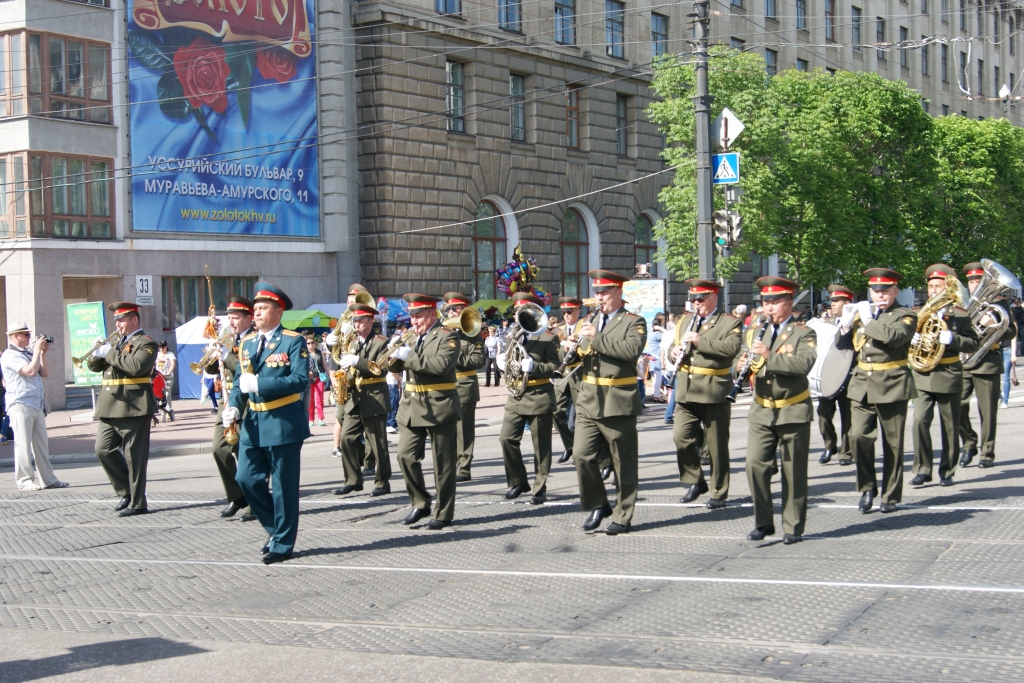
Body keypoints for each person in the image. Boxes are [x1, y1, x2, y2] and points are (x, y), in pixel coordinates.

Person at [222, 282, 310, 564]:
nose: (256, 313)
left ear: (278, 311)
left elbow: (299, 380)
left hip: (282, 421)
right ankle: (276, 529)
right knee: (245, 479)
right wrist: (233, 407)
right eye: (255, 308)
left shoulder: (292, 340)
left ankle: (282, 544)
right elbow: (238, 383)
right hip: (253, 423)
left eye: (262, 308)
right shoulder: (246, 343)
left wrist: (261, 383)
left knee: (284, 488)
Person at [741, 277, 816, 544]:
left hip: (792, 408)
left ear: (789, 302)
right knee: (754, 465)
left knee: (792, 470)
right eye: (765, 302)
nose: (769, 308)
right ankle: (763, 522)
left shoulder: (803, 332)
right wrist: (742, 365)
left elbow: (803, 364)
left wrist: (770, 357)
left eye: (775, 302)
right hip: (762, 409)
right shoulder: (753, 331)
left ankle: (793, 525)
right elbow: (746, 362)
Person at [572, 270, 647, 534]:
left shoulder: (633, 322)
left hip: (618, 400)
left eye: (603, 292)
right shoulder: (589, 320)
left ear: (618, 292)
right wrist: (569, 347)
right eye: (596, 293)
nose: (599, 297)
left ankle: (623, 515)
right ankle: (598, 503)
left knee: (622, 463)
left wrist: (596, 338)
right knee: (581, 455)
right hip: (588, 399)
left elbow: (630, 351)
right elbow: (579, 355)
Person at [838, 268, 916, 514]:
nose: (879, 295)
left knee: (892, 443)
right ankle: (867, 487)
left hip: (892, 383)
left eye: (885, 290)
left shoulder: (905, 315)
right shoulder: (864, 315)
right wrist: (845, 324)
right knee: (859, 437)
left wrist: (868, 320)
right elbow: (843, 346)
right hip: (862, 384)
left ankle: (890, 495)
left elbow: (894, 338)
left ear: (895, 291)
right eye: (875, 290)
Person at [388, 294, 461, 529]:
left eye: (418, 316)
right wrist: (393, 353)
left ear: (432, 314)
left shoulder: (447, 336)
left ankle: (443, 512)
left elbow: (440, 366)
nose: (414, 321)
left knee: (443, 464)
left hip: (438, 405)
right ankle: (420, 502)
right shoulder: (411, 338)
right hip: (410, 406)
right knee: (405, 457)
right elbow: (397, 366)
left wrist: (408, 356)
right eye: (411, 316)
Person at [667, 279, 742, 508]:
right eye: (693, 299)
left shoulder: (729, 322)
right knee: (681, 437)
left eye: (701, 298)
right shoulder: (685, 321)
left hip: (714, 389)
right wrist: (674, 352)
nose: (696, 303)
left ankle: (719, 492)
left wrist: (700, 340)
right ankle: (695, 480)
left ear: (714, 298)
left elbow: (732, 349)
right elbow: (673, 347)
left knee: (717, 445)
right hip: (686, 389)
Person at [910, 265, 978, 487]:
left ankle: (947, 470)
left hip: (948, 374)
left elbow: (973, 342)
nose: (933, 291)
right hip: (922, 374)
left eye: (938, 286)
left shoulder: (959, 314)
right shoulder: (918, 314)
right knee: (920, 421)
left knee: (949, 426)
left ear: (947, 287)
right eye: (930, 286)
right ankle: (922, 469)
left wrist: (953, 339)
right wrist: (911, 340)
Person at [87, 303, 158, 516]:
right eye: (116, 320)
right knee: (103, 449)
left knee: (134, 457)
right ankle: (125, 490)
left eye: (122, 319)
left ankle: (138, 503)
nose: (117, 324)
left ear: (135, 320)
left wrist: (108, 353)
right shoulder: (116, 342)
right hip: (109, 405)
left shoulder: (147, 343)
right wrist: (96, 354)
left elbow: (136, 367)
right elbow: (95, 367)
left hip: (132, 405)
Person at [496, 292, 560, 505]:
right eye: (516, 312)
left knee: (540, 446)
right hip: (516, 396)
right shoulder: (513, 335)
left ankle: (539, 487)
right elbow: (511, 363)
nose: (517, 317)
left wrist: (534, 367)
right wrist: (503, 363)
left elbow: (554, 368)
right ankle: (518, 481)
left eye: (521, 312)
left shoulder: (548, 337)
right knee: (506, 439)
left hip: (539, 395)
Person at [327, 303, 392, 496]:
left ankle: (382, 482)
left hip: (374, 397)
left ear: (371, 321)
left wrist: (359, 362)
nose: (356, 325)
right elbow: (344, 365)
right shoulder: (352, 342)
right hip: (355, 398)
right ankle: (353, 479)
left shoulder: (382, 342)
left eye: (360, 321)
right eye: (354, 321)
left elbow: (383, 368)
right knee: (347, 439)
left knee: (378, 444)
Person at [960, 262, 1017, 469]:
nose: (975, 285)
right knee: (957, 406)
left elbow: (1010, 332)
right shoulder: (962, 304)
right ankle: (969, 443)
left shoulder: (1000, 305)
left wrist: (991, 322)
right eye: (972, 282)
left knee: (988, 411)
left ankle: (987, 453)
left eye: (978, 280)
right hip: (964, 361)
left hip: (987, 361)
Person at [1, 322, 66, 491]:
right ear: (16, 336)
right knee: (22, 443)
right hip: (20, 403)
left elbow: (44, 372)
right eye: (27, 335)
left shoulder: (28, 353)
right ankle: (24, 480)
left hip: (36, 403)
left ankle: (48, 479)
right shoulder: (9, 355)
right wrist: (37, 350)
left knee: (41, 444)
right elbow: (29, 371)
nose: (30, 338)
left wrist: (42, 353)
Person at [209, 296, 255, 519]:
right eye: (229, 317)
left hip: (247, 402)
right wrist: (211, 355)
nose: (231, 322)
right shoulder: (228, 339)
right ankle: (237, 496)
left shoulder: (254, 339)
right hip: (226, 402)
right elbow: (212, 370)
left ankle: (255, 502)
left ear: (249, 318)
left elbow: (247, 367)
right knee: (219, 449)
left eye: (235, 317)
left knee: (247, 453)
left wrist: (226, 358)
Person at [441, 293, 486, 483]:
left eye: (456, 309)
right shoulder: (445, 333)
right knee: (447, 429)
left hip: (465, 386)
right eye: (449, 309)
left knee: (464, 430)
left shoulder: (473, 333)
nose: (452, 312)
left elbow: (477, 360)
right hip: (445, 387)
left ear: (465, 311)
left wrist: (454, 357)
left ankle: (465, 467)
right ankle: (450, 464)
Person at [817, 285, 856, 465]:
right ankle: (829, 445)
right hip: (830, 375)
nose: (831, 304)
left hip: (850, 375)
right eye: (831, 300)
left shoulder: (857, 322)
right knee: (823, 413)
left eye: (836, 301)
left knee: (848, 417)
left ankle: (846, 452)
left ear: (847, 303)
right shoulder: (828, 323)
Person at [553, 297, 586, 464]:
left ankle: (580, 450)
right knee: (555, 411)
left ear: (578, 311)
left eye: (569, 311)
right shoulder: (558, 330)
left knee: (578, 417)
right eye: (563, 312)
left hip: (578, 375)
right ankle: (570, 446)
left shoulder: (584, 327)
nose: (566, 315)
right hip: (562, 376)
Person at [306, 335, 327, 427]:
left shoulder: (319, 352)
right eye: (308, 343)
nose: (311, 344)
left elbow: (325, 365)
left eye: (312, 342)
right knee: (310, 401)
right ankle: (311, 419)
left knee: (319, 399)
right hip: (310, 378)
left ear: (315, 343)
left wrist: (330, 374)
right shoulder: (305, 354)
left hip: (319, 377)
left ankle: (320, 418)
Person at [155, 341, 176, 421]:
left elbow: (173, 364)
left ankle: (169, 411)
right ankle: (162, 413)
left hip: (168, 377)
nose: (161, 349)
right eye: (160, 347)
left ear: (166, 346)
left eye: (163, 347)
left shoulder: (170, 354)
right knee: (159, 395)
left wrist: (168, 373)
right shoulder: (157, 354)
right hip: (159, 378)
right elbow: (153, 365)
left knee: (167, 394)